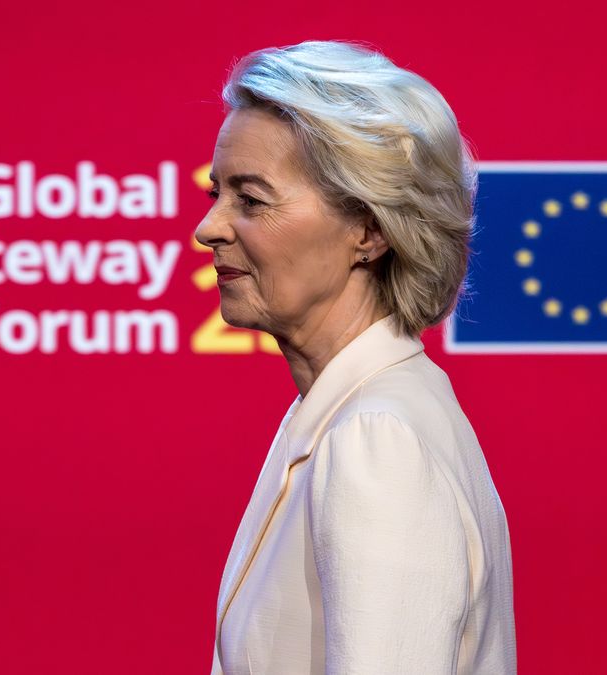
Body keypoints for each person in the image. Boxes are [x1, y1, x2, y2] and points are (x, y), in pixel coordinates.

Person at [195, 39, 516, 674]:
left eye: (251, 199)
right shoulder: (342, 412)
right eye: (217, 194)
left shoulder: (378, 439)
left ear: (369, 230)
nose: (209, 228)